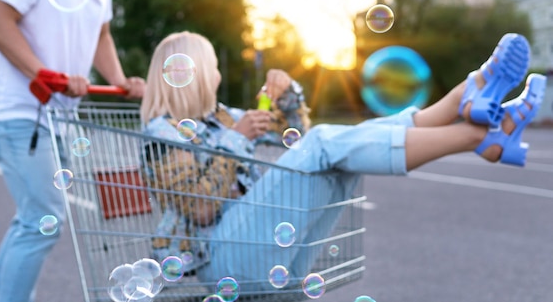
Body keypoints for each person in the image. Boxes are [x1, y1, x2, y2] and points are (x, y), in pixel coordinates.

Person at [139, 31, 546, 289]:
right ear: (187, 75)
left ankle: (457, 108)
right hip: (219, 259)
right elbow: (201, 207)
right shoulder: (162, 133)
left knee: (338, 155)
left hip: (256, 246)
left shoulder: (223, 117)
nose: (217, 77)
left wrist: (288, 93)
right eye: (211, 68)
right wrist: (235, 139)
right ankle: (473, 130)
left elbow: (293, 129)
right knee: (322, 145)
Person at [0, 0, 145, 302]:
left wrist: (122, 80)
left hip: (59, 119)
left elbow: (101, 34)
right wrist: (47, 75)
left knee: (31, 220)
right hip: (16, 111)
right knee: (43, 218)